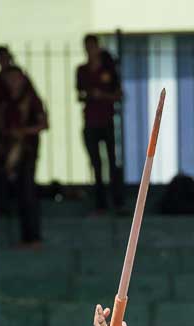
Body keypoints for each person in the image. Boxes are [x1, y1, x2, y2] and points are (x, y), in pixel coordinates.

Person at [0, 65, 47, 246]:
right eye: (9, 79)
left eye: (15, 78)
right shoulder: (4, 100)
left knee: (28, 192)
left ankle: (33, 237)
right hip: (8, 151)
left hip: (27, 150)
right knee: (17, 193)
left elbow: (43, 124)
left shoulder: (31, 99)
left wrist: (23, 131)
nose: (12, 82)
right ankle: (25, 237)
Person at [76, 34, 123, 213]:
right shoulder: (82, 70)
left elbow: (118, 94)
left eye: (92, 47)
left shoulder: (109, 70)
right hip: (90, 121)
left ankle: (117, 200)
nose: (90, 51)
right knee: (96, 163)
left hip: (106, 121)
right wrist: (89, 95)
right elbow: (79, 94)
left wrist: (102, 95)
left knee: (112, 161)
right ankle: (100, 203)